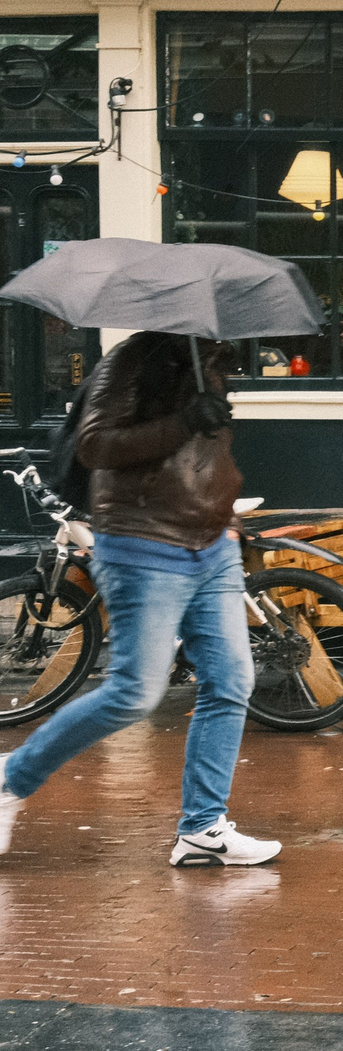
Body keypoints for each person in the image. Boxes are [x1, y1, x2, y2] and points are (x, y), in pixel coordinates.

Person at [0, 333, 278, 869]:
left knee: (231, 681)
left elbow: (204, 459)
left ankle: (202, 829)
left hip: (211, 543)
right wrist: (184, 421)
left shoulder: (209, 362)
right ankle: (11, 779)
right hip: (144, 543)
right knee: (134, 692)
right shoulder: (131, 360)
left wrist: (226, 514)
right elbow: (95, 445)